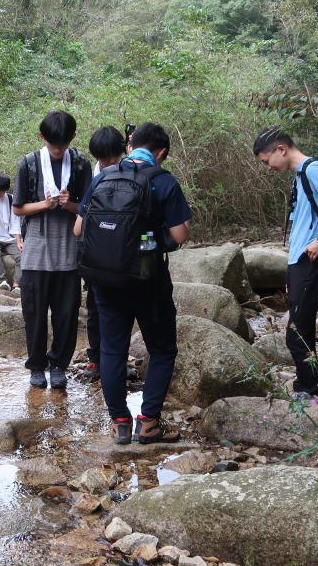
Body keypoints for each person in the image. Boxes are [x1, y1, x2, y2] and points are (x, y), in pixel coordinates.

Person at [75, 122, 191, 444]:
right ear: (161, 152)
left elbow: (77, 230)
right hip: (148, 281)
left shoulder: (103, 177)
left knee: (112, 351)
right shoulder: (163, 181)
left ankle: (120, 423)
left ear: (130, 145)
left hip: (106, 282)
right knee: (163, 350)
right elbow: (180, 235)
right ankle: (149, 422)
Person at [253, 127, 318, 399]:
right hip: (303, 260)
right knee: (301, 326)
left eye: (266, 161)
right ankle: (311, 385)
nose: (267, 167)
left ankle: (311, 390)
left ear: (281, 149)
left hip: (315, 258)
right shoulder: (301, 174)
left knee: (296, 329)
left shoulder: (312, 169)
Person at [12, 110, 92, 390]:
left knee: (67, 314)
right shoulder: (29, 163)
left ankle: (59, 365)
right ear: (42, 137)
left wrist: (70, 204)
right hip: (35, 250)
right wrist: (45, 205)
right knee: (34, 313)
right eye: (53, 143)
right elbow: (18, 207)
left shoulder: (81, 163)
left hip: (69, 251)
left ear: (72, 138)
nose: (58, 149)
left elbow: (88, 208)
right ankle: (36, 366)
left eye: (64, 143)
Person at [78, 126, 128, 381]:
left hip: (100, 257)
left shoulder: (94, 176)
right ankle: (97, 358)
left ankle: (107, 360)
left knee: (102, 309)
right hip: (113, 258)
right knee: (101, 310)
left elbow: (78, 226)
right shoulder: (128, 174)